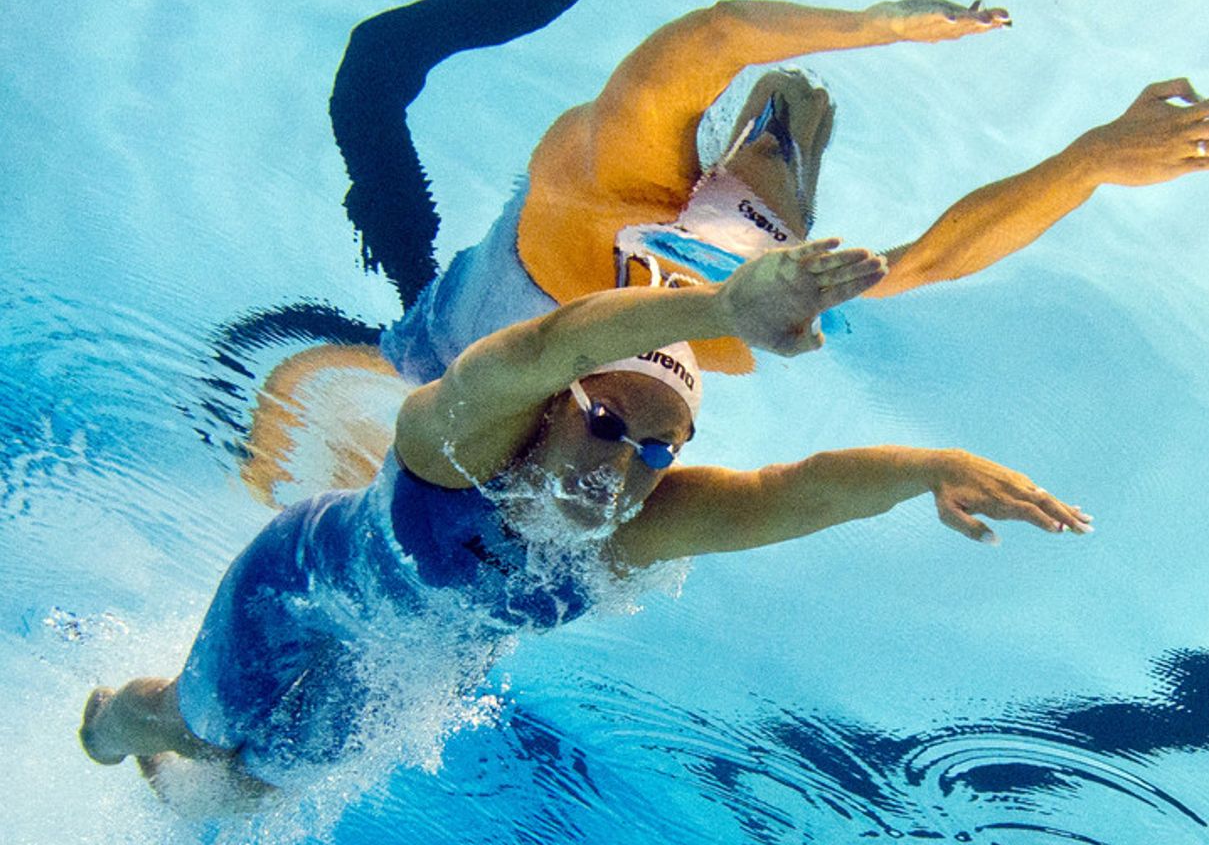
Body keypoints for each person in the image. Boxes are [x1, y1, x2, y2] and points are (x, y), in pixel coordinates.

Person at [235, 0, 1209, 503]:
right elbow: (929, 257)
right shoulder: (701, 286)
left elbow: (721, 39)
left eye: (778, 144)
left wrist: (887, 29)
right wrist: (1087, 157)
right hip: (457, 402)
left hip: (468, 403)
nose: (786, 124)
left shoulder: (612, 189)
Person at [80, 238, 1092, 798]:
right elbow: (543, 344)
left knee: (269, 779)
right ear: (561, 405)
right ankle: (114, 720)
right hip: (298, 592)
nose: (623, 465)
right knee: (201, 724)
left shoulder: (635, 527)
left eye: (659, 448)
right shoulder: (459, 448)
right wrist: (715, 311)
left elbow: (799, 491)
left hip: (409, 662)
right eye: (608, 424)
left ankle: (185, 790)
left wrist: (935, 468)